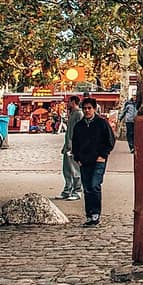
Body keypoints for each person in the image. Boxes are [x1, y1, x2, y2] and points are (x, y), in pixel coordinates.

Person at [71, 97, 114, 226]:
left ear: (94, 109)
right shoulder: (79, 126)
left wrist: (103, 155)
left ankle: (95, 213)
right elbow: (75, 143)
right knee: (87, 188)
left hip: (98, 160)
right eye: (85, 108)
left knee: (95, 185)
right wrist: (77, 158)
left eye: (89, 108)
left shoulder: (101, 123)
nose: (87, 111)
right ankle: (89, 214)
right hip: (84, 161)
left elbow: (110, 140)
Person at [58, 95, 83, 200]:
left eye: (68, 102)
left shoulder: (79, 114)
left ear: (73, 102)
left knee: (75, 169)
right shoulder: (72, 114)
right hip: (68, 145)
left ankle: (77, 191)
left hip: (74, 147)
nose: (67, 104)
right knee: (67, 169)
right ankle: (67, 189)